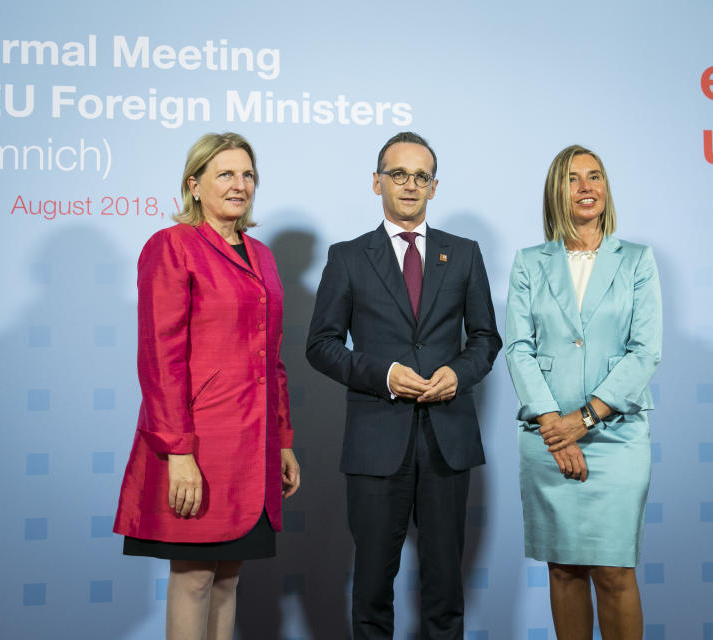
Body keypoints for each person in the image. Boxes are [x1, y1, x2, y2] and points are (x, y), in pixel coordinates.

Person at [306, 131, 501, 639]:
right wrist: (385, 376)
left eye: (421, 176)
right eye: (398, 174)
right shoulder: (347, 257)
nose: (409, 185)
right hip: (375, 443)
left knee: (444, 592)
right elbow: (321, 344)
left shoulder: (464, 254)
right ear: (377, 182)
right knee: (372, 589)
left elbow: (485, 339)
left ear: (434, 187)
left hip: (447, 443)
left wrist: (457, 374)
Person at [113, 132, 300, 640]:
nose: (240, 185)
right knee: (194, 578)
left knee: (229, 579)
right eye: (225, 174)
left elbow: (273, 358)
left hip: (254, 444)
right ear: (194, 185)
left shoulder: (262, 255)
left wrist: (282, 440)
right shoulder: (171, 246)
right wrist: (178, 451)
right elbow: (160, 358)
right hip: (199, 443)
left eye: (248, 175)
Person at [505, 145, 662, 640]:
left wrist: (586, 419)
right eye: (573, 179)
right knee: (564, 569)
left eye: (595, 176)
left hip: (616, 435)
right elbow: (518, 348)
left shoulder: (637, 260)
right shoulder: (529, 263)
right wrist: (556, 425)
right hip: (547, 436)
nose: (587, 187)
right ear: (557, 191)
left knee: (615, 573)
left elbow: (645, 352)